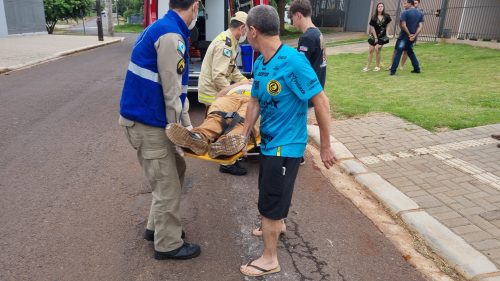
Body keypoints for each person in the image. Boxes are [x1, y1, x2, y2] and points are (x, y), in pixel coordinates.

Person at [239, 5, 336, 277]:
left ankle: (270, 258)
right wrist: (244, 135)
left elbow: (321, 100)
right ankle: (276, 224)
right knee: (269, 194)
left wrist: (326, 145)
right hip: (268, 144)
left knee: (270, 199)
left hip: (287, 145)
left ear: (254, 31)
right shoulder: (260, 62)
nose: (246, 34)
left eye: (247, 29)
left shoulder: (293, 61)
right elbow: (255, 100)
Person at [118, 0, 201, 260]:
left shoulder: (163, 27)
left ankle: (155, 228)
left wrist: (186, 124)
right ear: (195, 6)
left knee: (176, 170)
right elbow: (171, 92)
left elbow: (178, 91)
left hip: (147, 120)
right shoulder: (171, 36)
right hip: (147, 124)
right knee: (167, 187)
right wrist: (179, 134)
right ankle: (168, 244)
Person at [198, 11, 250, 175]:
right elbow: (218, 75)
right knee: (226, 121)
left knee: (219, 121)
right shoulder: (225, 44)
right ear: (242, 27)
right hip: (213, 91)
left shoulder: (231, 41)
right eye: (247, 30)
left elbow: (232, 70)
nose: (246, 34)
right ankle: (226, 162)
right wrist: (233, 92)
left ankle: (213, 145)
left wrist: (246, 82)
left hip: (216, 89)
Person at [166, 84, 260, 159]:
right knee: (216, 116)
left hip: (255, 101)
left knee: (245, 120)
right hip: (231, 97)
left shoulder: (265, 84)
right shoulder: (242, 83)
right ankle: (198, 138)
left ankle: (228, 142)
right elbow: (220, 94)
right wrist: (240, 83)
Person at [288, 0, 327, 166]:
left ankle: (297, 155)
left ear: (298, 15)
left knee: (298, 122)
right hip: (316, 86)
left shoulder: (307, 37)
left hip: (306, 90)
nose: (293, 23)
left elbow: (299, 67)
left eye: (292, 19)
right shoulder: (318, 33)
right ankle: (299, 153)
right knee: (301, 121)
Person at [390, 0, 423, 75]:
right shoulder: (420, 13)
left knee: (399, 52)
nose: (404, 5)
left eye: (405, 3)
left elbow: (403, 25)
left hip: (404, 37)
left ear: (410, 3)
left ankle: (393, 71)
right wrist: (414, 35)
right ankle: (417, 69)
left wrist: (409, 35)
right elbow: (420, 26)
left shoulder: (405, 12)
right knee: (410, 52)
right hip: (412, 38)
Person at [363, 2, 392, 72]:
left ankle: (378, 66)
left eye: (382, 6)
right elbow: (372, 28)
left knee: (377, 49)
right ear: (377, 8)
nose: (380, 7)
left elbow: (388, 25)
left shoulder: (387, 16)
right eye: (379, 6)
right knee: (370, 51)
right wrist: (375, 37)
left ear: (383, 8)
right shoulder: (374, 17)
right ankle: (367, 67)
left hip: (382, 36)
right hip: (373, 36)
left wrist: (387, 34)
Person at [400, 0, 420, 69]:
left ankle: (401, 65)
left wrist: (413, 35)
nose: (414, 4)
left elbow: (419, 26)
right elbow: (402, 24)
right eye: (413, 3)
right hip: (404, 35)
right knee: (399, 49)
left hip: (412, 36)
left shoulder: (419, 14)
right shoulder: (406, 12)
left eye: (416, 3)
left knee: (407, 51)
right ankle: (393, 66)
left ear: (418, 4)